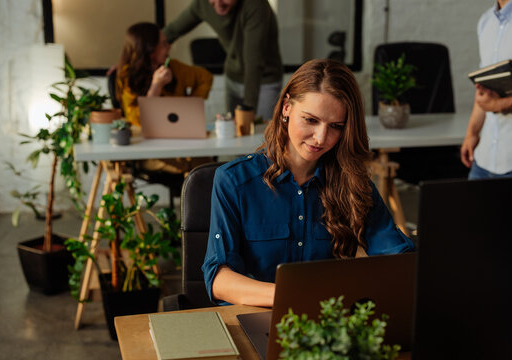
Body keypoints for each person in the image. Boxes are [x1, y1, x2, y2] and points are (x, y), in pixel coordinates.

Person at [202, 59, 415, 307]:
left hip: (327, 325)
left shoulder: (353, 183)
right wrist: (298, 295)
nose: (321, 138)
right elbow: (219, 278)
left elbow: (398, 260)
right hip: (257, 321)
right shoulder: (233, 181)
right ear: (286, 108)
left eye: (336, 126)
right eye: (311, 120)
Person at [116, 22, 213, 173]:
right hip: (149, 150)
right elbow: (138, 120)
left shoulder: (174, 68)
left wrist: (190, 105)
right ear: (148, 49)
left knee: (207, 166)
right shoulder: (128, 77)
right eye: (163, 44)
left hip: (181, 141)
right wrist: (156, 86)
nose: (169, 47)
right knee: (195, 169)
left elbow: (205, 78)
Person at [163, 0, 283, 121]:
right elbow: (172, 31)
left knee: (264, 134)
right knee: (234, 134)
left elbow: (254, 61)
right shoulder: (202, 4)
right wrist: (150, 50)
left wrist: (249, 107)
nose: (218, 3)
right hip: (234, 77)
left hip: (264, 81)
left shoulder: (256, 5)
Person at [461, 0, 512, 179]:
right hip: (484, 159)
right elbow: (484, 90)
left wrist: (501, 104)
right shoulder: (485, 21)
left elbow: (493, 102)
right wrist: (471, 133)